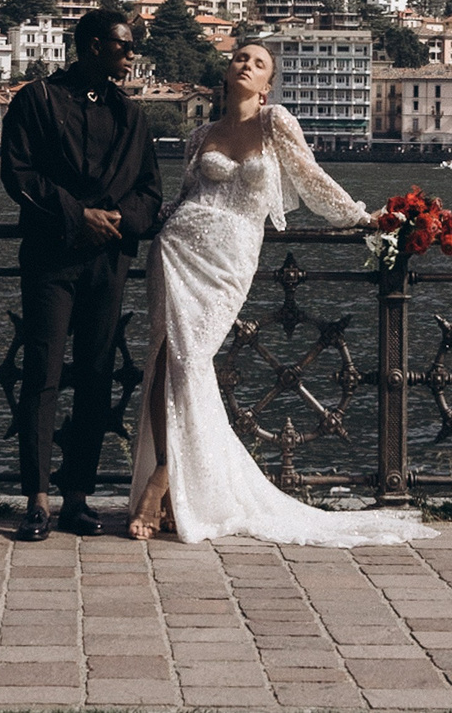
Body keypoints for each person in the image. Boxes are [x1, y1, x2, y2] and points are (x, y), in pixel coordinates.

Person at [125, 41, 435, 547]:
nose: (246, 65)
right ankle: (164, 475)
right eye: (240, 58)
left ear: (268, 83)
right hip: (177, 249)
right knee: (162, 360)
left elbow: (311, 179)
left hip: (228, 258)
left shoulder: (276, 122)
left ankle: (166, 478)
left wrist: (363, 219)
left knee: (193, 357)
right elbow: (183, 196)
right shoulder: (201, 133)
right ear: (227, 72)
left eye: (259, 63)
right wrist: (141, 228)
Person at [0, 8, 162, 542]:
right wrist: (78, 216)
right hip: (52, 255)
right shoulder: (36, 101)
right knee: (41, 374)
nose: (131, 55)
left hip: (109, 259)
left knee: (96, 376)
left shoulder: (132, 117)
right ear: (94, 45)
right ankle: (37, 500)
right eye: (124, 46)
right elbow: (18, 175)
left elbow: (151, 191)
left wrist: (118, 222)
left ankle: (77, 497)